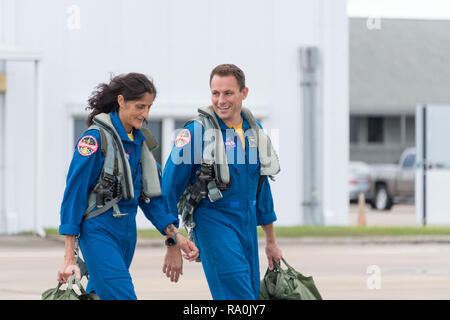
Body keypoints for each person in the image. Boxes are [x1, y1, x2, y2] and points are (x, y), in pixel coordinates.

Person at [57, 72, 198, 300]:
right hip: (98, 231)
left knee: (100, 295)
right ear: (121, 101)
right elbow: (74, 195)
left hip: (126, 233)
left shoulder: (139, 142)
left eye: (149, 107)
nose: (146, 114)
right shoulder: (94, 140)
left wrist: (175, 235)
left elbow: (149, 198)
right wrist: (69, 257)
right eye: (140, 106)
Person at [162, 64, 283, 300]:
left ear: (243, 93)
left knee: (250, 295)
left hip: (246, 224)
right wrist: (172, 241)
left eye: (228, 93)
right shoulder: (196, 133)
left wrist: (271, 241)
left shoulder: (254, 130)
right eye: (215, 93)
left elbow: (261, 188)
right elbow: (168, 189)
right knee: (238, 298)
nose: (221, 100)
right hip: (214, 220)